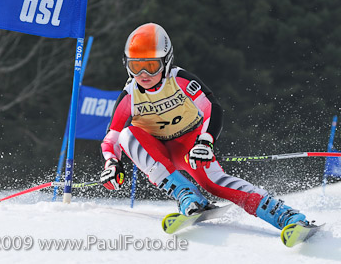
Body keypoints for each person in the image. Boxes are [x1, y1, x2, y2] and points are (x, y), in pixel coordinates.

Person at [100, 22, 309, 230]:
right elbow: (113, 137)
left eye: (152, 66)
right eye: (136, 66)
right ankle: (186, 195)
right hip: (157, 152)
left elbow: (212, 108)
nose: (144, 74)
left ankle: (283, 214)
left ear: (166, 61)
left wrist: (205, 141)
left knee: (214, 183)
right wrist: (112, 163)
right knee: (127, 135)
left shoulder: (179, 80)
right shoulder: (129, 96)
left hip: (190, 146)